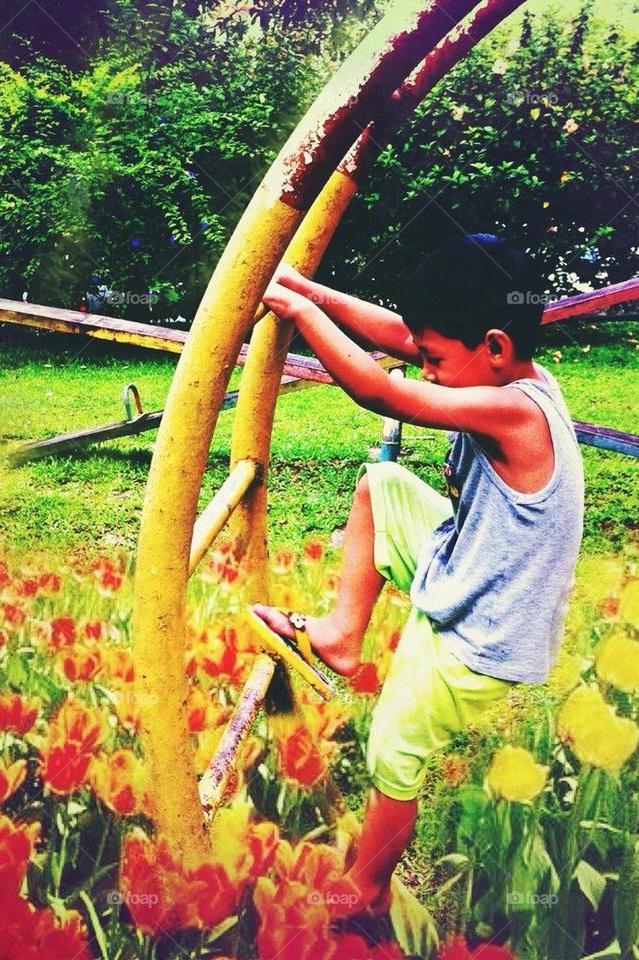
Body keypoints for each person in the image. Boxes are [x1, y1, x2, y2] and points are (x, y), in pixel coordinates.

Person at [254, 233, 584, 925]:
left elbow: (380, 390)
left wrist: (298, 317)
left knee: (394, 747)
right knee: (382, 486)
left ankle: (367, 889)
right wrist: (311, 291)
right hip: (467, 563)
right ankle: (342, 636)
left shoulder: (518, 411)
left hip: (484, 629)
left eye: (434, 360)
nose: (426, 369)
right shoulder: (509, 370)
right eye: (423, 356)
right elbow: (397, 336)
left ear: (493, 346)